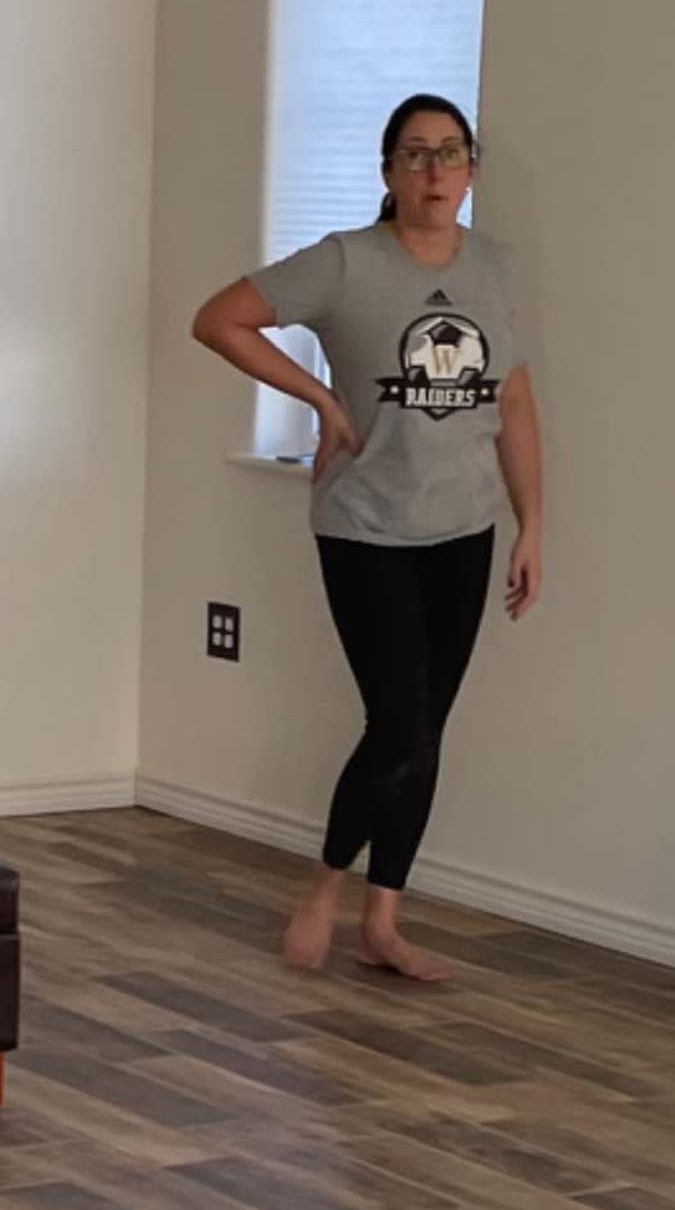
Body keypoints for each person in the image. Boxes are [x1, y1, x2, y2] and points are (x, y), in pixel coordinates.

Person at [187, 95, 544, 980]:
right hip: (367, 528)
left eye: (450, 154)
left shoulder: (495, 269)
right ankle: (323, 890)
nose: (434, 171)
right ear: (387, 172)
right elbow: (218, 319)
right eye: (415, 155)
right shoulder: (345, 264)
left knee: (429, 731)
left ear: (471, 171)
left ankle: (383, 922)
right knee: (398, 723)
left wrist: (534, 520)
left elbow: (512, 399)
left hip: (464, 527)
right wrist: (317, 399)